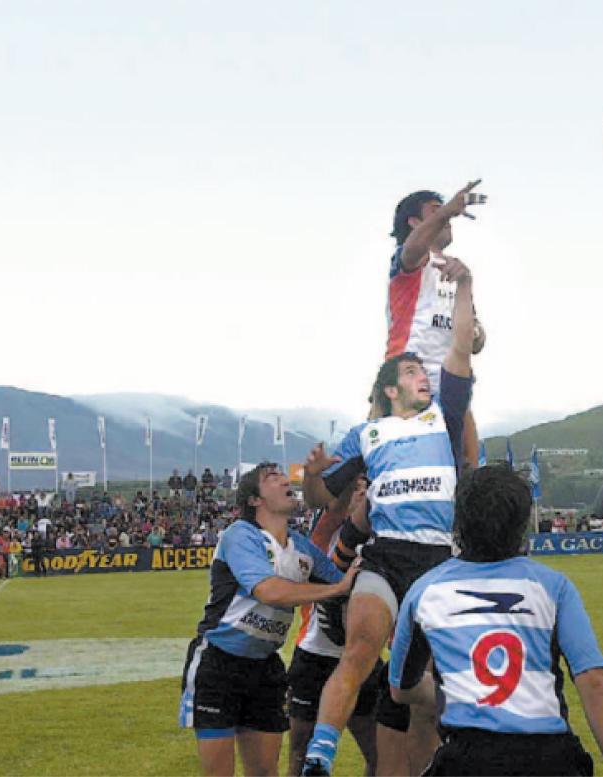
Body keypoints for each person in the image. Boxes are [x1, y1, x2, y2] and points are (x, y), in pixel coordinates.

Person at [299, 253, 477, 776]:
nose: (424, 373)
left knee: (437, 681)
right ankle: (319, 759)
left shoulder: (444, 415)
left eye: (425, 369)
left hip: (438, 561)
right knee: (357, 654)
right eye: (412, 370)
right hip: (385, 559)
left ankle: (452, 748)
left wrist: (464, 286)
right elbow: (322, 501)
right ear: (390, 390)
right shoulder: (366, 434)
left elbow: (461, 344)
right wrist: (311, 474)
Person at [389, 465, 603, 776]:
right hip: (551, 759)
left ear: (458, 519)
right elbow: (594, 683)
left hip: (467, 759)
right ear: (521, 524)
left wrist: (449, 692)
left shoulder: (424, 591)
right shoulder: (554, 587)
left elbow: (401, 689)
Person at [179, 463, 356, 777]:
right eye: (272, 478)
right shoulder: (240, 535)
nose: (285, 480)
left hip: (264, 668)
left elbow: (344, 586)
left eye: (284, 477)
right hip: (218, 663)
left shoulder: (301, 547)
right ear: (254, 500)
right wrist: (338, 588)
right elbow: (269, 591)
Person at [382, 182, 485, 464]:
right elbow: (413, 248)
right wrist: (448, 211)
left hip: (452, 383)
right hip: (408, 383)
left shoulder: (456, 270)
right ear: (414, 222)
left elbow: (476, 341)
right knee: (411, 468)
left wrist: (474, 332)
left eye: (448, 212)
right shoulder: (408, 260)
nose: (449, 217)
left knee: (463, 469)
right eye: (436, 212)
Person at [286, 479, 381, 776]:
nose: (364, 492)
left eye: (367, 487)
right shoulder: (323, 534)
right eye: (357, 487)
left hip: (361, 655)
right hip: (314, 656)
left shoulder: (381, 538)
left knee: (379, 753)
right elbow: (334, 507)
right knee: (300, 752)